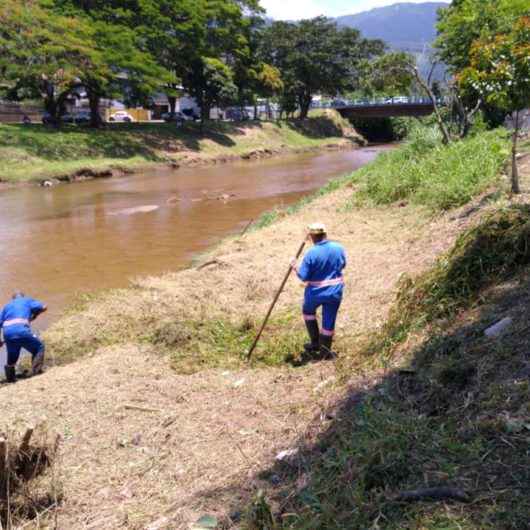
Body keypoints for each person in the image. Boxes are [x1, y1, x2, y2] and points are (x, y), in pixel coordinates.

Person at [291, 223, 346, 359]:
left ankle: (315, 343)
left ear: (311, 237)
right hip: (335, 291)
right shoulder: (339, 248)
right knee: (329, 321)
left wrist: (294, 267)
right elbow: (343, 264)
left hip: (315, 292)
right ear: (325, 234)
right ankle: (325, 352)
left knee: (308, 312)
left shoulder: (311, 253)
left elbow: (304, 277)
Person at [0, 292, 47, 383]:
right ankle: (36, 373)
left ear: (13, 299)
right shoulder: (27, 300)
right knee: (39, 347)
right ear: (22, 297)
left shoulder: (6, 307)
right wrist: (35, 315)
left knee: (12, 357)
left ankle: (10, 379)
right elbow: (43, 307)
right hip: (22, 331)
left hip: (7, 334)